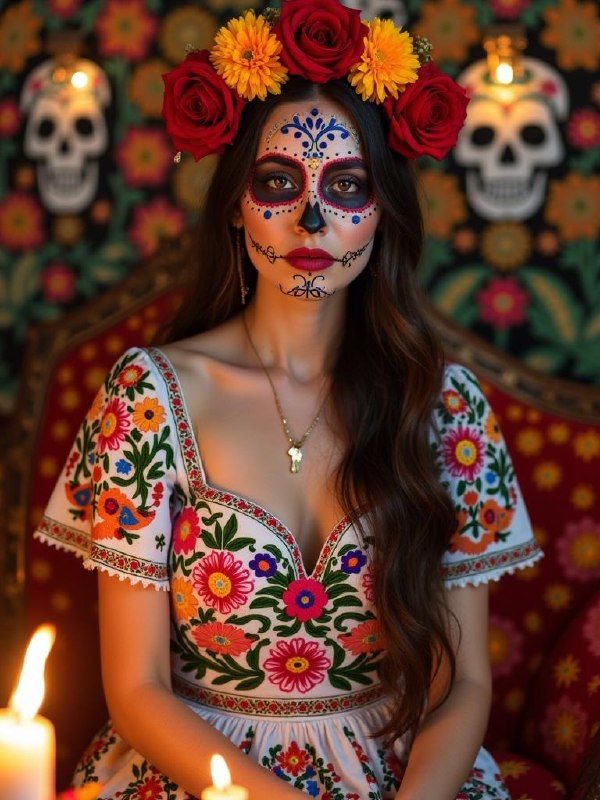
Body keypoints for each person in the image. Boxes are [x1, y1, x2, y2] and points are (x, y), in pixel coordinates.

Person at [34, 2, 545, 798]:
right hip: (201, 777)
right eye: (278, 182)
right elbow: (136, 691)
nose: (312, 218)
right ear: (236, 204)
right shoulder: (151, 397)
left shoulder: (445, 408)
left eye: (346, 186)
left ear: (382, 213)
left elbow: (463, 684)